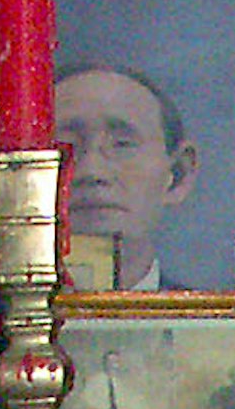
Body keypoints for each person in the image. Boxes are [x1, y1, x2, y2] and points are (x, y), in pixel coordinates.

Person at [60, 58, 199, 292]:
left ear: (177, 175)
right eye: (65, 146)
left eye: (122, 144)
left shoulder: (210, 326)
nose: (92, 171)